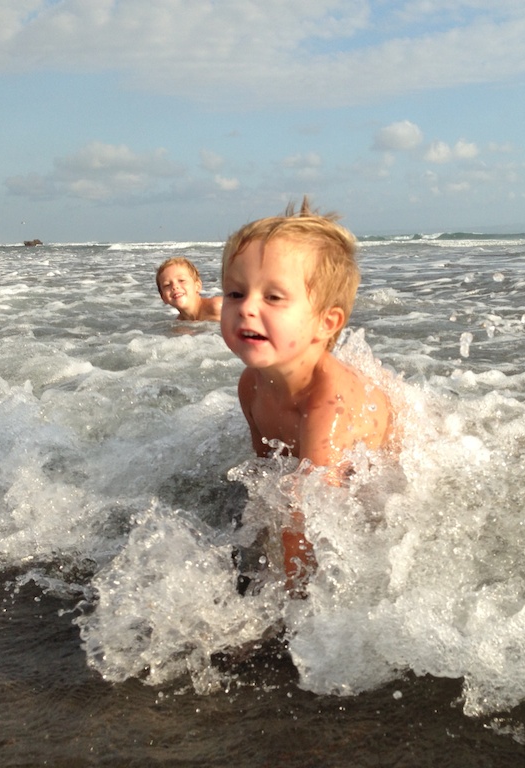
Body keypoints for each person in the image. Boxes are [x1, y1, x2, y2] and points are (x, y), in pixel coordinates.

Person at [220, 197, 391, 593]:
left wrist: (289, 596)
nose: (246, 309)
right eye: (234, 293)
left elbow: (310, 516)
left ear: (325, 322)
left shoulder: (327, 409)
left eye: (273, 297)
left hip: (379, 462)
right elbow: (265, 474)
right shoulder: (251, 383)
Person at [155, 257, 222, 321]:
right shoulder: (179, 327)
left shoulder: (216, 307)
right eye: (167, 285)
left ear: (197, 286)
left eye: (181, 280)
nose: (174, 287)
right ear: (163, 297)